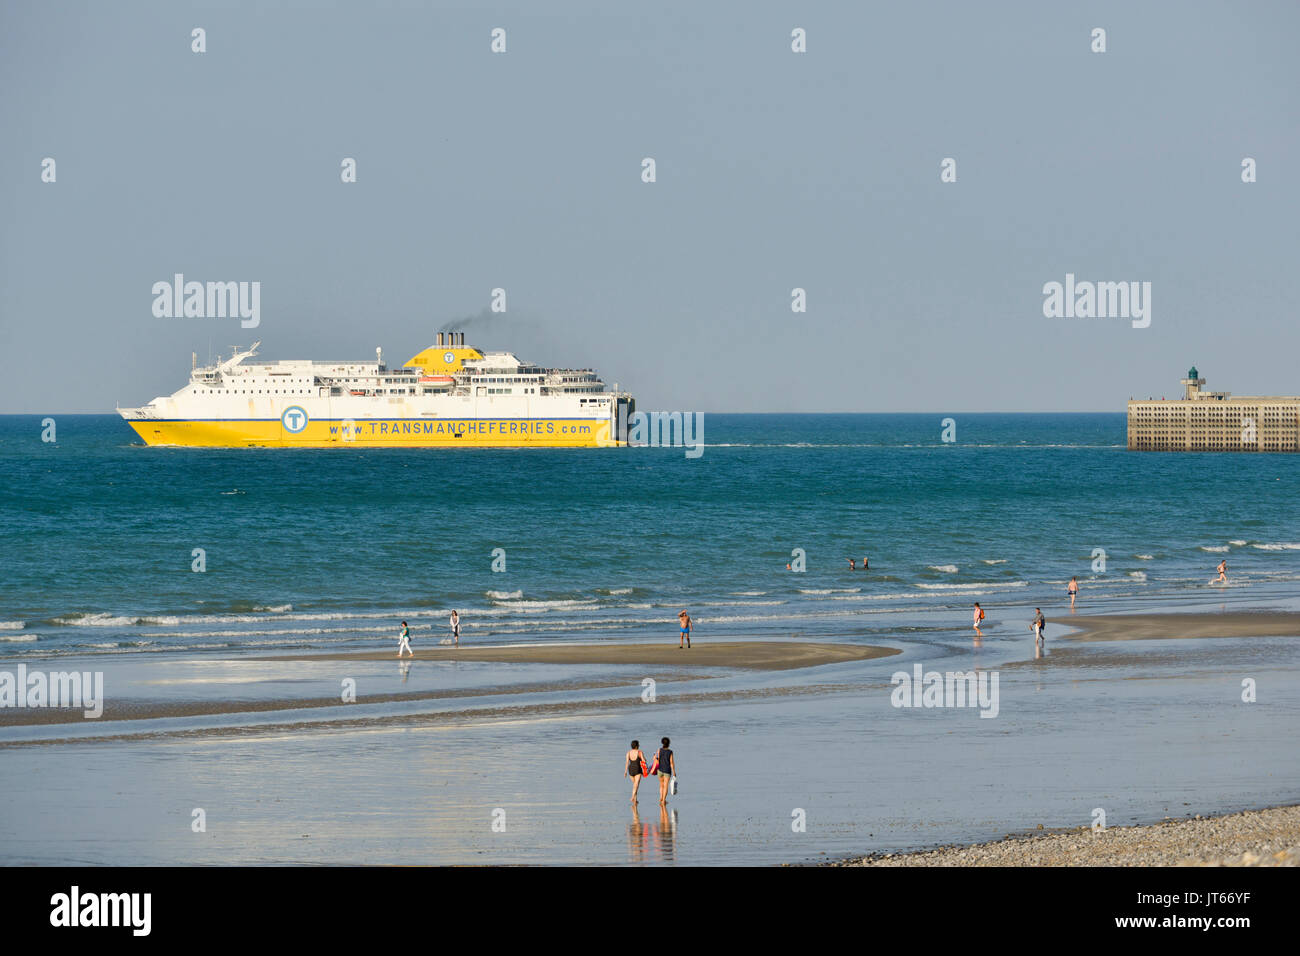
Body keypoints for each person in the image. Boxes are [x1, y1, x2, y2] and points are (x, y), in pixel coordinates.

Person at [653, 737, 676, 806]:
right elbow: (671, 763)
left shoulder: (659, 750)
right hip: (667, 770)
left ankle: (661, 797)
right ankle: (663, 800)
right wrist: (674, 772)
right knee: (666, 786)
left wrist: (655, 756)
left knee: (661, 785)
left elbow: (655, 759)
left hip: (660, 770)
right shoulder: (670, 752)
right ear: (669, 743)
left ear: (662, 743)